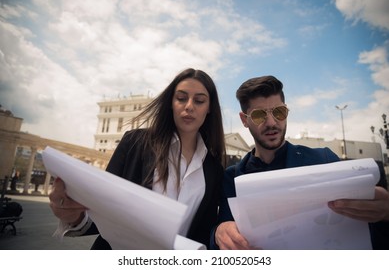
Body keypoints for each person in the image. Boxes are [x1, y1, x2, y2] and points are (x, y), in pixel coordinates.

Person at [49, 68, 226, 249]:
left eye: (199, 100)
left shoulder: (214, 167)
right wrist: (74, 216)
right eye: (181, 98)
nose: (189, 106)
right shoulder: (135, 143)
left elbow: (204, 230)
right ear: (171, 103)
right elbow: (103, 209)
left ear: (209, 107)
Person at [211, 75, 389, 250]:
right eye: (259, 115)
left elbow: (365, 232)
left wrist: (385, 213)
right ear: (244, 120)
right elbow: (223, 234)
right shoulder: (232, 178)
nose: (271, 122)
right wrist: (218, 233)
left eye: (279, 112)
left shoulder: (323, 160)